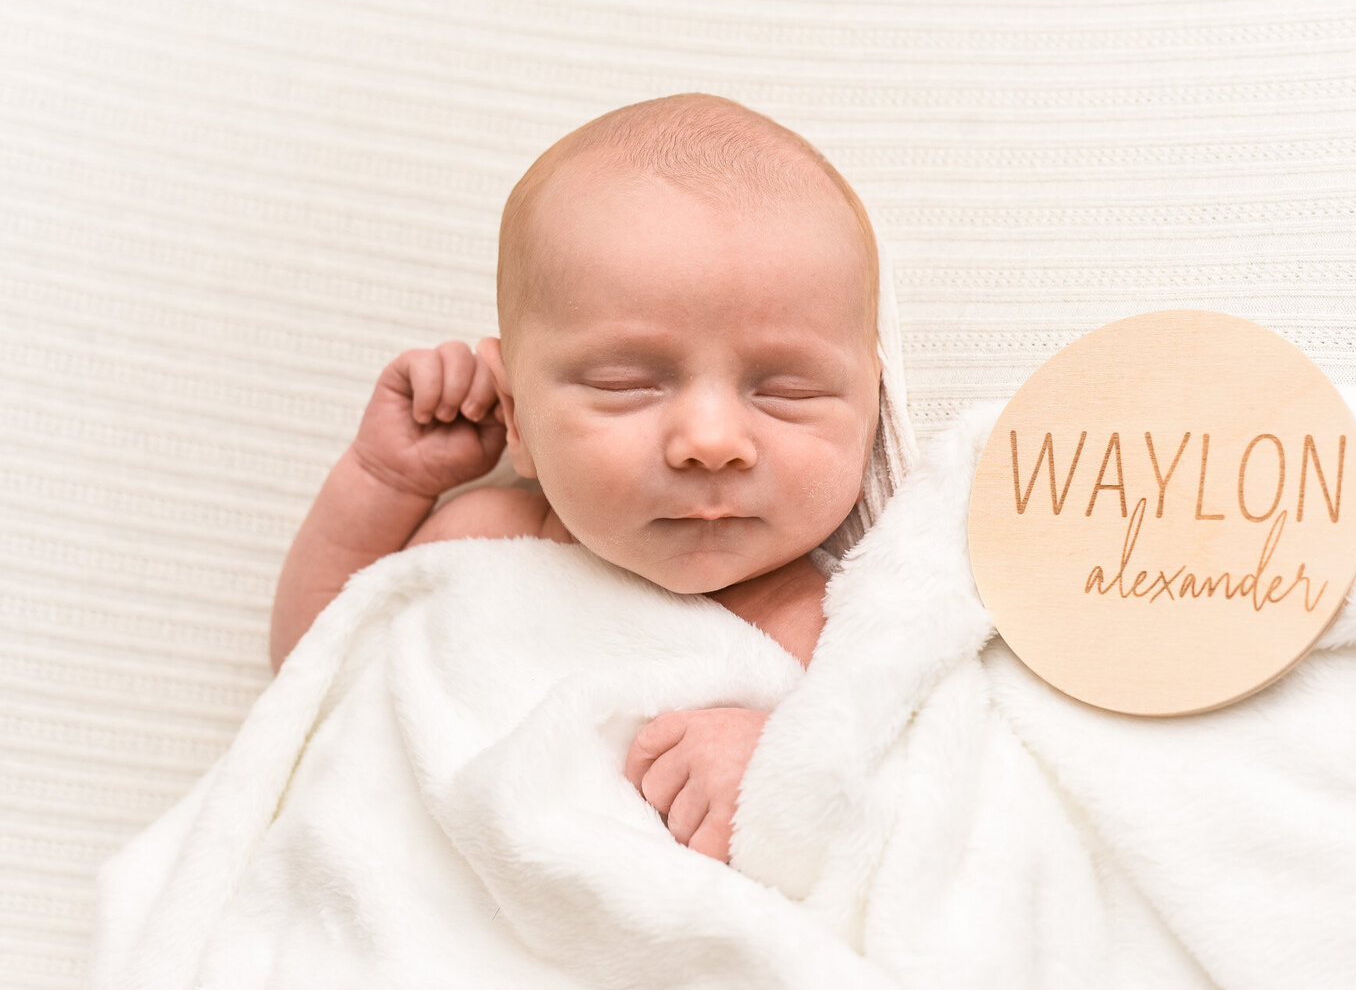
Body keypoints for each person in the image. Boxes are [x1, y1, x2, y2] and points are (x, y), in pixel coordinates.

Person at [267, 93, 900, 865]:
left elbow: (915, 799)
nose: (709, 442)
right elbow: (312, 669)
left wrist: (781, 769)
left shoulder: (844, 628)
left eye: (786, 391)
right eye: (629, 383)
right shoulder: (487, 537)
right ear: (516, 414)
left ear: (871, 408)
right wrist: (383, 479)